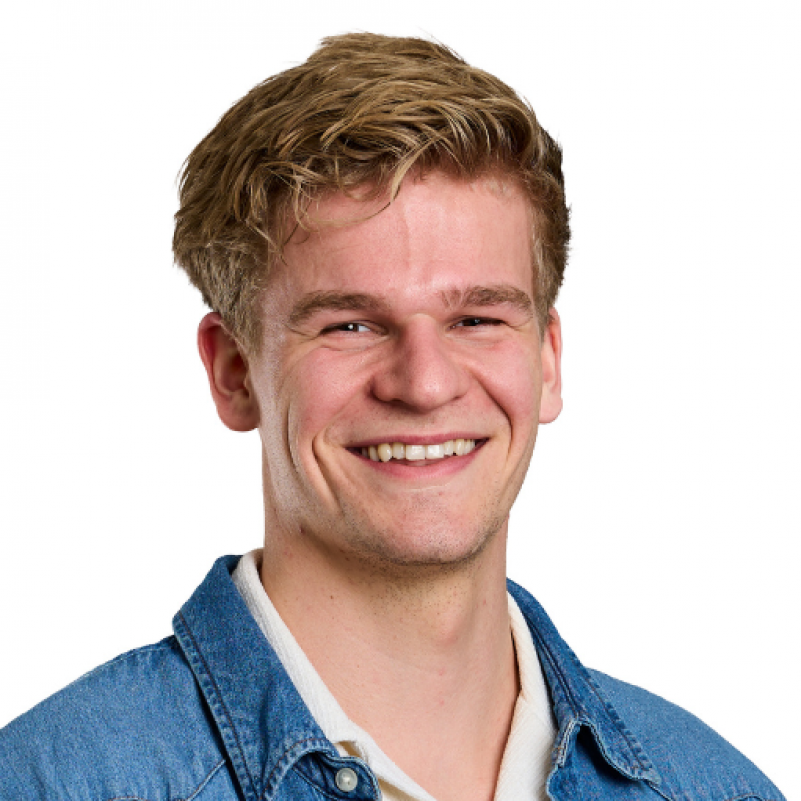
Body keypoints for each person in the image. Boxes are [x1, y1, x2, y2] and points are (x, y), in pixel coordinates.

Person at [0, 32, 786, 801]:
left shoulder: (712, 787)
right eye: (349, 324)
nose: (425, 382)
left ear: (546, 360)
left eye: (477, 318)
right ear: (233, 371)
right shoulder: (54, 782)